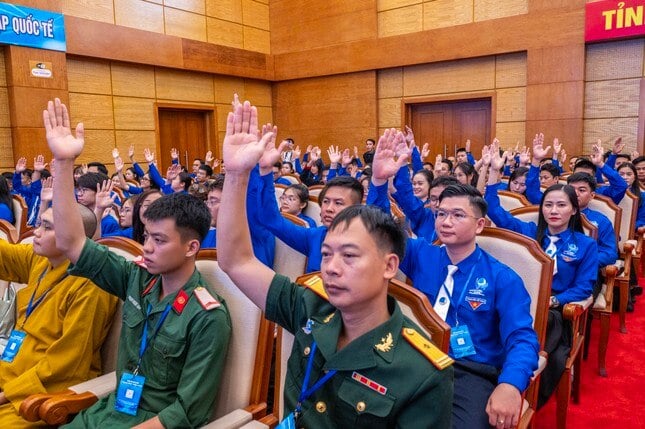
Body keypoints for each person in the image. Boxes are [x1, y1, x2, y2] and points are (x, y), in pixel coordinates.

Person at [217, 98, 453, 428]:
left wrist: (381, 183)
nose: (331, 267)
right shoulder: (311, 305)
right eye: (326, 254)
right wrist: (237, 174)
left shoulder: (421, 372)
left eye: (349, 256)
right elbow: (235, 260)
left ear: (389, 267)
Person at [44, 98, 231, 428]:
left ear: (191, 247)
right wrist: (62, 163)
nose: (146, 248)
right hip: (109, 410)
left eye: (159, 241)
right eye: (146, 236)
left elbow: (187, 412)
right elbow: (71, 242)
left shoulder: (207, 317)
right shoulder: (136, 278)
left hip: (149, 422)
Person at [371, 129, 539, 428]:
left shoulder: (503, 278)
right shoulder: (423, 253)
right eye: (441, 214)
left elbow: (521, 338)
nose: (445, 222)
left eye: (458, 215)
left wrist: (511, 383)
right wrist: (379, 182)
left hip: (469, 371)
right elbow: (381, 231)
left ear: (480, 225)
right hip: (413, 356)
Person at [484, 151, 598, 408]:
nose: (554, 211)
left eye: (561, 205)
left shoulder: (586, 245)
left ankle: (522, 392)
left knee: (545, 341)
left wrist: (555, 301)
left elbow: (583, 287)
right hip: (517, 305)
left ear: (573, 209)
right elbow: (495, 210)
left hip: (554, 312)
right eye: (548, 205)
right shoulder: (528, 232)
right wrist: (492, 172)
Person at [0, 204, 118, 428]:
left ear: (72, 236)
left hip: (41, 393)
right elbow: (3, 255)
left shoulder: (91, 285)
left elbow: (67, 365)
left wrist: (7, 394)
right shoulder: (42, 259)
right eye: (39, 224)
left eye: (47, 227)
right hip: (10, 369)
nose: (36, 232)